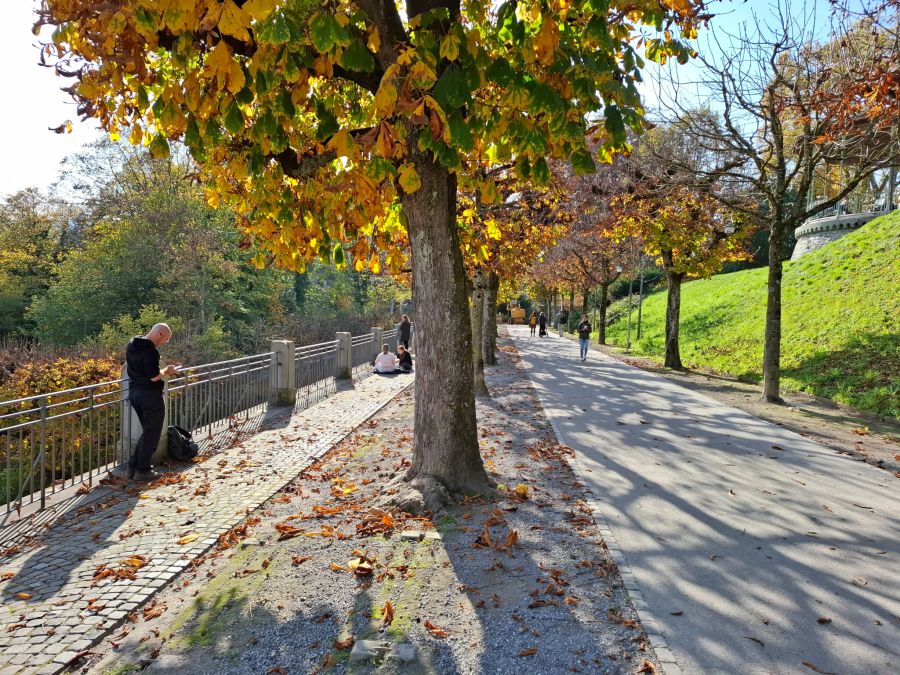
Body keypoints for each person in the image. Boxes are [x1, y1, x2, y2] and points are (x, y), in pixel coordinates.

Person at [125, 323, 178, 482]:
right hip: (150, 396)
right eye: (166, 339)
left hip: (134, 394)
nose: (165, 342)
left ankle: (133, 466)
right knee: (152, 434)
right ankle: (144, 470)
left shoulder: (132, 344)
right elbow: (154, 376)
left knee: (148, 432)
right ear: (159, 333)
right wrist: (167, 371)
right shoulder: (150, 350)